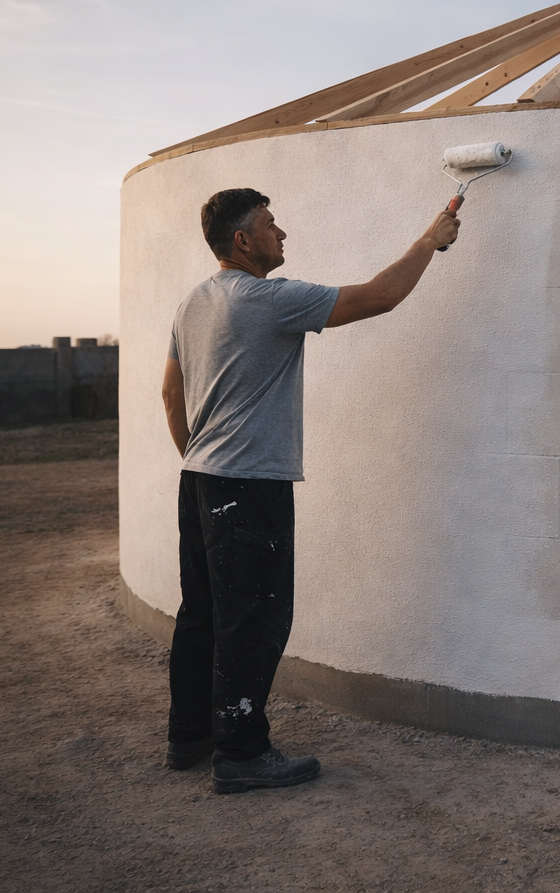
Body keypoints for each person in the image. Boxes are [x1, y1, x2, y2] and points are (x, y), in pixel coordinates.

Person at [160, 186, 460, 793]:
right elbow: (380, 296)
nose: (283, 234)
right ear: (242, 240)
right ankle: (242, 755)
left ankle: (190, 737)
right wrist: (432, 239)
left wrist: (199, 458)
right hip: (248, 486)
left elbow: (170, 393)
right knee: (254, 620)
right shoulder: (267, 299)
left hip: (200, 480)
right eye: (272, 225)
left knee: (202, 615)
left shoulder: (194, 303)